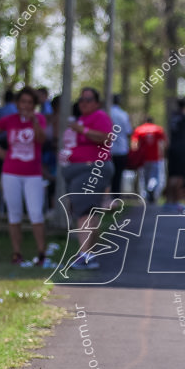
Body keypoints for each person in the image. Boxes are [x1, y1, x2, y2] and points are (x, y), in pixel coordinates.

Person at [0, 87, 48, 264]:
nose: (26, 106)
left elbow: (42, 139)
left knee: (36, 213)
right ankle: (16, 252)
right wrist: (0, 151)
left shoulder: (40, 119)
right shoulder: (9, 120)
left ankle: (41, 252)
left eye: (30, 102)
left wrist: (33, 121)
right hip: (11, 172)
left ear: (34, 105)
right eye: (23, 102)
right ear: (17, 103)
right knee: (14, 214)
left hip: (33, 173)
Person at [61, 87, 115, 269]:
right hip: (79, 169)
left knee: (84, 212)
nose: (83, 103)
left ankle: (85, 256)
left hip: (91, 168)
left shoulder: (99, 116)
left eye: (88, 99)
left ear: (96, 103)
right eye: (81, 100)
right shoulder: (81, 119)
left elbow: (107, 138)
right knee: (89, 212)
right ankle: (90, 254)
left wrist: (82, 129)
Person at [131, 118, 167, 204]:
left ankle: (145, 196)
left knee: (143, 179)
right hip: (155, 158)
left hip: (143, 159)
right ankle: (151, 188)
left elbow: (134, 144)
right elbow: (164, 144)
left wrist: (134, 156)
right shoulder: (158, 129)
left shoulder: (139, 130)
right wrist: (163, 155)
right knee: (154, 177)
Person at [109, 94, 132, 194]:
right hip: (121, 150)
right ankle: (115, 199)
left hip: (107, 150)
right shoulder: (123, 114)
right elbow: (128, 132)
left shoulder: (105, 113)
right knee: (118, 176)